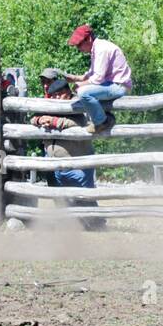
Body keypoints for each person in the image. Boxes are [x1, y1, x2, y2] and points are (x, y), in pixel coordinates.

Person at [32, 76, 103, 230]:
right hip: (55, 162)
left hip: (78, 161)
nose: (57, 98)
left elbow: (81, 124)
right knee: (62, 197)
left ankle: (97, 224)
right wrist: (40, 120)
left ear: (67, 91)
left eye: (59, 94)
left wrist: (56, 122)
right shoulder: (51, 105)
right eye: (54, 95)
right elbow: (33, 118)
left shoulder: (79, 103)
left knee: (83, 195)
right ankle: (72, 225)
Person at [62, 25, 132, 134]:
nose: (79, 49)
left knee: (83, 93)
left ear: (88, 39)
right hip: (111, 84)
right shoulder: (97, 48)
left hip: (118, 86)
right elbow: (92, 73)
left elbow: (98, 78)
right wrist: (75, 78)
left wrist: (81, 85)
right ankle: (104, 117)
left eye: (79, 44)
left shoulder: (101, 49)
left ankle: (101, 122)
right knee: (83, 90)